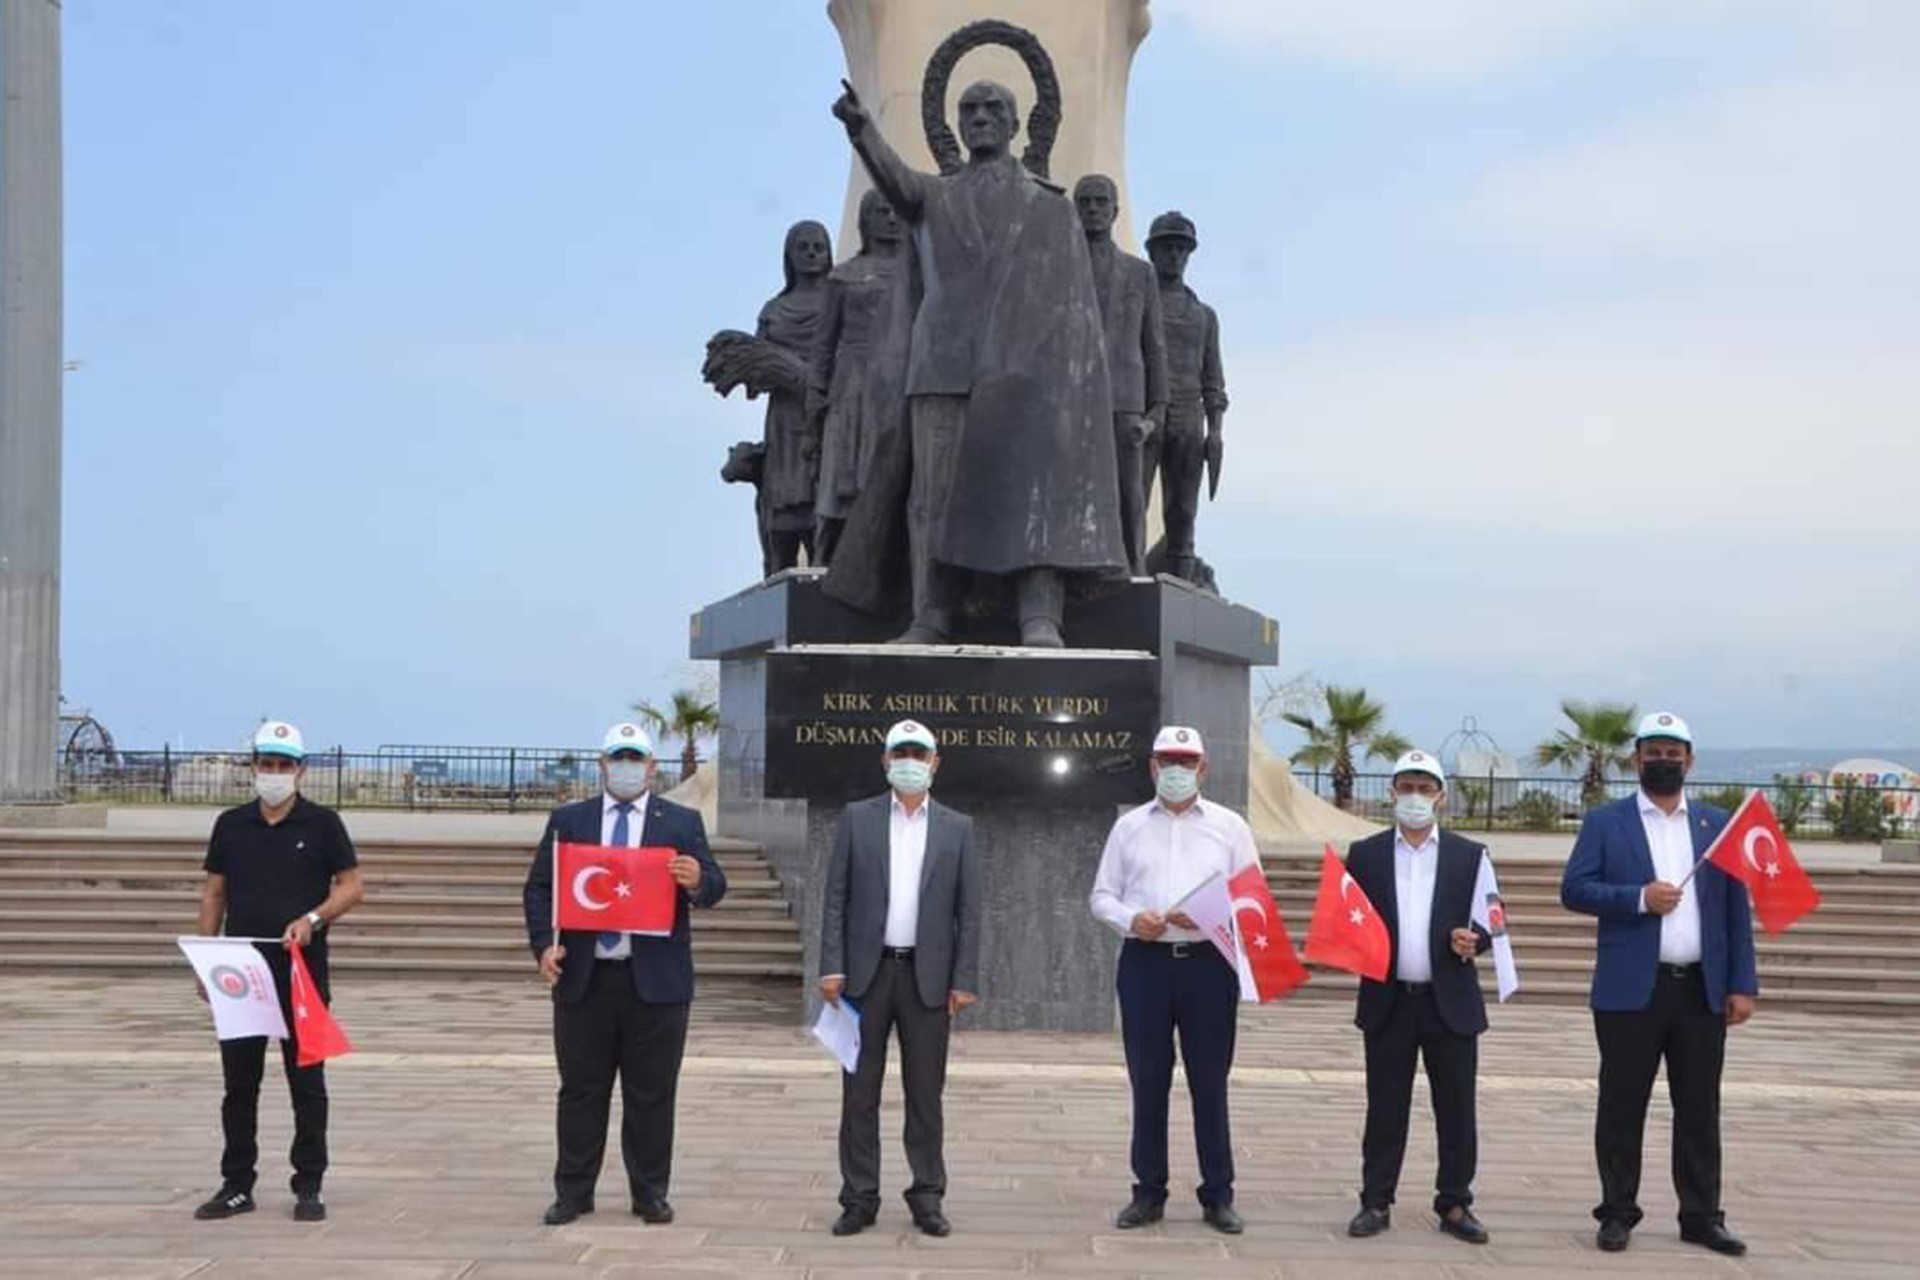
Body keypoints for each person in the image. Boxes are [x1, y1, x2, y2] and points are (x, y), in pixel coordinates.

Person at [831, 78, 1125, 647]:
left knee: (1034, 494)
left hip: (1028, 379)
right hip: (944, 370)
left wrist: (1066, 390)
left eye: (994, 108)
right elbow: (898, 185)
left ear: (1017, 124)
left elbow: (1076, 313)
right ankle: (930, 615)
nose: (981, 117)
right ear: (957, 124)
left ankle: (1039, 616)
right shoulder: (934, 197)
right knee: (933, 502)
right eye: (969, 109)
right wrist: (861, 129)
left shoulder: (1052, 209)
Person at [1561, 712, 1757, 1256]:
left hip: (1699, 991)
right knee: (1622, 1105)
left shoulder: (1715, 826)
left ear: (1689, 760)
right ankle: (1617, 1211)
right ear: (1636, 759)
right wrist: (1636, 898)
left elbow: (1733, 911)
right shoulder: (1607, 822)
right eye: (1654, 752)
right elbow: (1574, 889)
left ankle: (1701, 1215)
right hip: (1631, 991)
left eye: (1674, 753)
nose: (1664, 761)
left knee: (1700, 1107)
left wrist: (1742, 983)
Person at [522, 723, 728, 1227]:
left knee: (652, 1092)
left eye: (637, 758)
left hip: (656, 983)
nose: (628, 766)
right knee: (580, 1090)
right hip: (586, 981)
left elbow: (716, 883)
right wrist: (544, 946)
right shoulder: (570, 821)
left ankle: (649, 1192)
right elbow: (539, 890)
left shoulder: (679, 822)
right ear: (603, 763)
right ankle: (573, 1192)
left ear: (652, 767)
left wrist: (698, 880)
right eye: (619, 757)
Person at [192, 720, 364, 1223]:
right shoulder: (231, 825)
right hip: (241, 973)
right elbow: (214, 893)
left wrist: (313, 918)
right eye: (265, 764)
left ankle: (309, 1183)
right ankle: (236, 1183)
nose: (273, 773)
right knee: (239, 1084)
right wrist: (206, 957)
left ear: (300, 771)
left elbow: (352, 887)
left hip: (300, 973)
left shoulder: (323, 824)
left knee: (306, 1082)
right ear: (254, 768)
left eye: (283, 766)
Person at [1089, 726, 1256, 1234]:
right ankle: (1148, 1191)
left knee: (1210, 1080)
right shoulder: (1130, 827)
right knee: (1148, 1080)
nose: (1177, 771)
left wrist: (1209, 917)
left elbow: (1252, 901)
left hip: (1209, 965)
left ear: (1204, 769)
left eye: (1187, 762)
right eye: (1168, 761)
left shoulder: (1230, 827)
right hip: (1145, 964)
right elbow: (1101, 896)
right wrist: (1129, 919)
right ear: (1152, 767)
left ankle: (1218, 1193)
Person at [818, 719, 981, 1238]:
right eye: (900, 752)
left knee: (925, 1093)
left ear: (936, 762)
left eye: (920, 753)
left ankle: (927, 1194)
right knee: (858, 1092)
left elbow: (969, 910)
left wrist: (964, 977)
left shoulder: (958, 827)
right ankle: (859, 1197)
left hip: (927, 978)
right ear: (885, 761)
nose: (910, 761)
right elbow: (836, 896)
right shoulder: (856, 818)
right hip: (865, 977)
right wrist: (831, 965)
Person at [1342, 750, 1492, 1245]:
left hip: (1448, 1001)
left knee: (1456, 1108)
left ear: (1441, 797)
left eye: (1425, 789)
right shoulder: (1364, 854)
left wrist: (1476, 939)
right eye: (1406, 787)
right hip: (1389, 1002)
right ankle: (1375, 1200)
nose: (1414, 797)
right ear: (1391, 792)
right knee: (1385, 1106)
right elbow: (1349, 920)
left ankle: (1454, 1201)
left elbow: (1493, 917)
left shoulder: (1469, 855)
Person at [810, 190, 913, 567]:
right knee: (843, 472)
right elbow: (823, 344)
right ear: (865, 220)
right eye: (879, 211)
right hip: (853, 380)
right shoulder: (843, 277)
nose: (889, 218)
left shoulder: (918, 273)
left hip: (902, 376)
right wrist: (816, 395)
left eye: (894, 210)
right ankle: (831, 557)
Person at [1075, 174, 1168, 577]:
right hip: (1073, 397)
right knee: (1076, 489)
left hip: (1125, 400)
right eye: (1086, 202)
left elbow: (1155, 345)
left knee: (1130, 493)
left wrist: (1157, 408)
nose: (1093, 209)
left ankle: (1133, 567)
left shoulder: (1139, 273)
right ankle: (1078, 565)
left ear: (1116, 210)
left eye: (1100, 202)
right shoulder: (1060, 269)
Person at [1142, 211, 1227, 584]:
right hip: (1144, 413)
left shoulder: (1204, 316)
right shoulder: (1141, 304)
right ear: (1153, 253)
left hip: (1189, 419)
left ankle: (1180, 576)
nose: (1174, 255)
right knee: (1134, 501)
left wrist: (1216, 431)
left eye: (1180, 248)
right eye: (1167, 248)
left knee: (1182, 510)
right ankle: (1130, 575)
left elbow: (1214, 379)